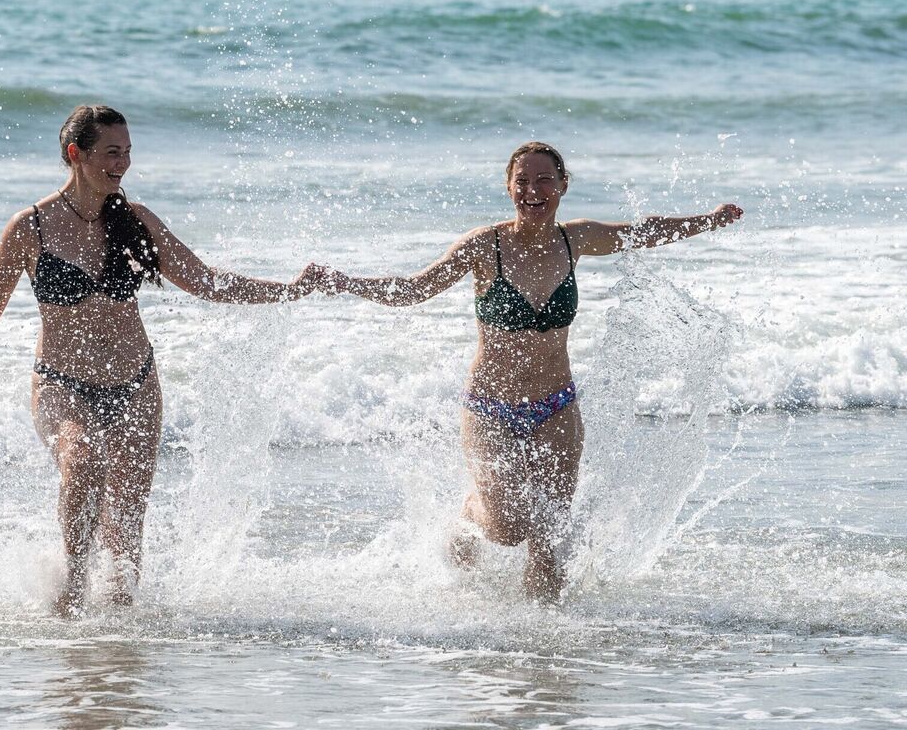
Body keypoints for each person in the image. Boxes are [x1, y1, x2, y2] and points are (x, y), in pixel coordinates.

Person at [0, 105, 318, 615]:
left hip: (136, 383)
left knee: (125, 534)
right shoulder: (31, 228)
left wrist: (287, 290)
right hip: (62, 383)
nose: (122, 163)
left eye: (127, 152)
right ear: (75, 155)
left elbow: (206, 281)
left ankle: (116, 654)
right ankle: (72, 591)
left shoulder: (136, 221)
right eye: (111, 152)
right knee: (80, 463)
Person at [317, 142, 743, 602]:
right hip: (490, 407)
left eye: (543, 180)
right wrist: (344, 282)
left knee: (550, 533)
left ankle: (545, 645)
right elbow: (413, 289)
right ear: (508, 188)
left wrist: (709, 220)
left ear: (562, 186)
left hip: (557, 405)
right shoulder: (485, 246)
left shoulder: (573, 240)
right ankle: (469, 514)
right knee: (507, 528)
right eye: (521, 182)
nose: (532, 191)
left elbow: (642, 232)